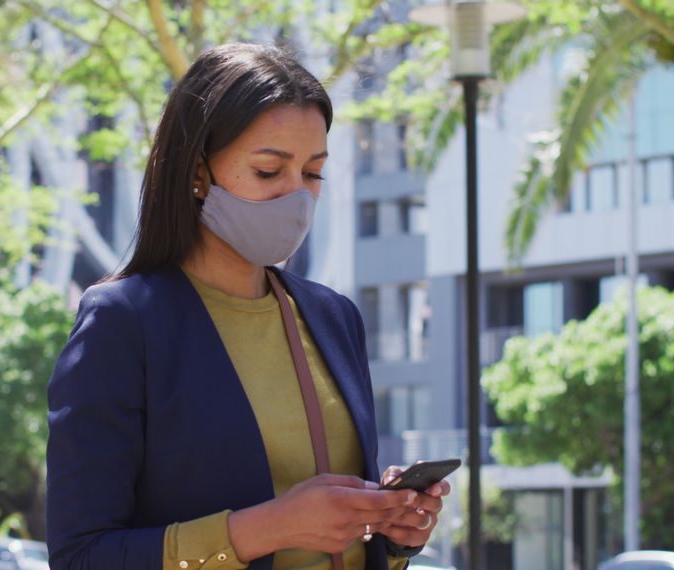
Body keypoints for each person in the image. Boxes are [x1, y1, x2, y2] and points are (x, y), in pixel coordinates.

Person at [45, 43, 450, 570]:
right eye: (267, 172)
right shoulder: (124, 322)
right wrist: (267, 528)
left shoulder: (334, 318)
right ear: (196, 171)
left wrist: (392, 533)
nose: (296, 198)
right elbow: (81, 557)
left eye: (312, 174)